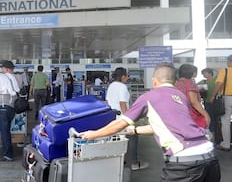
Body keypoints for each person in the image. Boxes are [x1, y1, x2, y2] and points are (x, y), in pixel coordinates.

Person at [79, 63, 221, 182]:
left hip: (185, 164)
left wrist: (95, 134)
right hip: (210, 157)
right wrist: (135, 130)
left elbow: (121, 123)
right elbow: (167, 126)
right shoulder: (180, 96)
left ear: (154, 81)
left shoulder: (150, 96)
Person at [106, 67, 148, 171]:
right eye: (127, 76)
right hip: (122, 118)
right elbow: (123, 104)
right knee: (133, 136)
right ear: (123, 76)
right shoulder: (122, 87)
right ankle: (134, 163)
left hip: (112, 117)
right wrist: (129, 120)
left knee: (116, 139)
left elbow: (107, 102)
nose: (127, 78)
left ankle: (117, 161)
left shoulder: (111, 86)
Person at [0, 60, 21, 162]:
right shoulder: (17, 78)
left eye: (3, 68)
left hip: (3, 106)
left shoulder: (3, 78)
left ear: (7, 69)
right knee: (6, 131)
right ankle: (8, 153)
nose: (2, 70)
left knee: (4, 132)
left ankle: (8, 155)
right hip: (12, 108)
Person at [175, 64, 210, 128]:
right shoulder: (190, 84)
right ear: (191, 73)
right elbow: (194, 102)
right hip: (190, 116)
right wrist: (206, 115)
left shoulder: (175, 83)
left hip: (177, 114)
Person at [210, 54, 232, 151]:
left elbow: (219, 83)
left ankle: (226, 144)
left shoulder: (225, 70)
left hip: (227, 98)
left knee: (225, 120)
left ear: (229, 62)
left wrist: (213, 95)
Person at [199, 68, 217, 140]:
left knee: (217, 119)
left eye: (204, 73)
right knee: (210, 118)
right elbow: (195, 87)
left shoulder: (216, 80)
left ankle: (218, 135)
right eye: (203, 73)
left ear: (210, 73)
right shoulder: (203, 82)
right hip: (207, 102)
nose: (203, 75)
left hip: (217, 102)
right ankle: (213, 135)